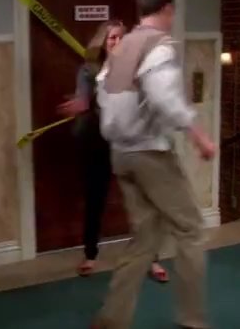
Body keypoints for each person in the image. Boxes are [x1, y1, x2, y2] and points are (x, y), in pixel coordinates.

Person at [91, 0, 216, 329]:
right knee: (191, 230)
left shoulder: (120, 48)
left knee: (144, 239)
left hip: (121, 155)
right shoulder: (158, 47)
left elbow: (102, 94)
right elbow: (165, 99)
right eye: (172, 13)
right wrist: (199, 137)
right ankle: (192, 320)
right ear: (167, 10)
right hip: (149, 154)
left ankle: (112, 320)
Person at [57, 19, 170, 282]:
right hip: (99, 142)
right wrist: (78, 106)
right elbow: (84, 100)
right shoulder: (89, 70)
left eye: (121, 37)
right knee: (95, 200)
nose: (117, 42)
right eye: (112, 38)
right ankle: (90, 255)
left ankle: (151, 258)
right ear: (104, 42)